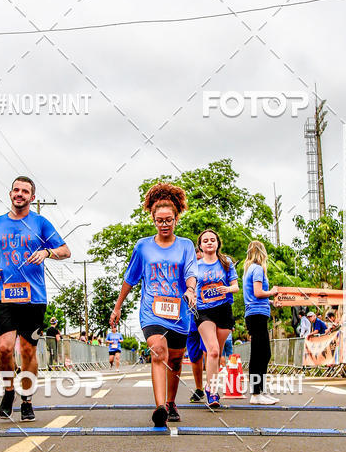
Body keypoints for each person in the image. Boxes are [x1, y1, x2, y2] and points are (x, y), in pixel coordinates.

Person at [110, 183, 197, 428]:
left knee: (177, 360)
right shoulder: (143, 246)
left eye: (169, 219)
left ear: (176, 218)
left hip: (180, 312)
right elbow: (130, 278)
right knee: (159, 351)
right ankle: (159, 408)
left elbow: (191, 272)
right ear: (153, 219)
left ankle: (170, 402)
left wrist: (190, 289)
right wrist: (117, 307)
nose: (164, 224)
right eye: (160, 220)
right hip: (152, 311)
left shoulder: (186, 245)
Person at [0, 176, 70, 422]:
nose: (19, 194)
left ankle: (27, 399)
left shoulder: (40, 223)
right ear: (10, 193)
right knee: (3, 348)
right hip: (5, 295)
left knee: (27, 350)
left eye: (25, 191)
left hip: (34, 298)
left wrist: (47, 252)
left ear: (32, 198)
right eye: (16, 190)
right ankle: (9, 391)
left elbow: (65, 251)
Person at [195, 229, 239, 406]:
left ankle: (209, 385)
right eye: (205, 241)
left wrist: (227, 289)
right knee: (212, 350)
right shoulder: (195, 266)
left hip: (223, 310)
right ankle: (213, 392)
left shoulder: (226, 262)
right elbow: (188, 287)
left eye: (212, 240)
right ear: (200, 245)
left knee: (217, 353)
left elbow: (236, 286)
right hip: (203, 311)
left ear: (217, 243)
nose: (209, 243)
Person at [243, 241, 279, 405]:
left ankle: (260, 391)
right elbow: (258, 293)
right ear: (262, 253)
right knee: (260, 354)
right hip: (256, 314)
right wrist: (271, 292)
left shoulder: (249, 269)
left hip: (256, 313)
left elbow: (255, 294)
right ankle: (256, 393)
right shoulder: (257, 269)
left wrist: (271, 301)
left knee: (262, 353)